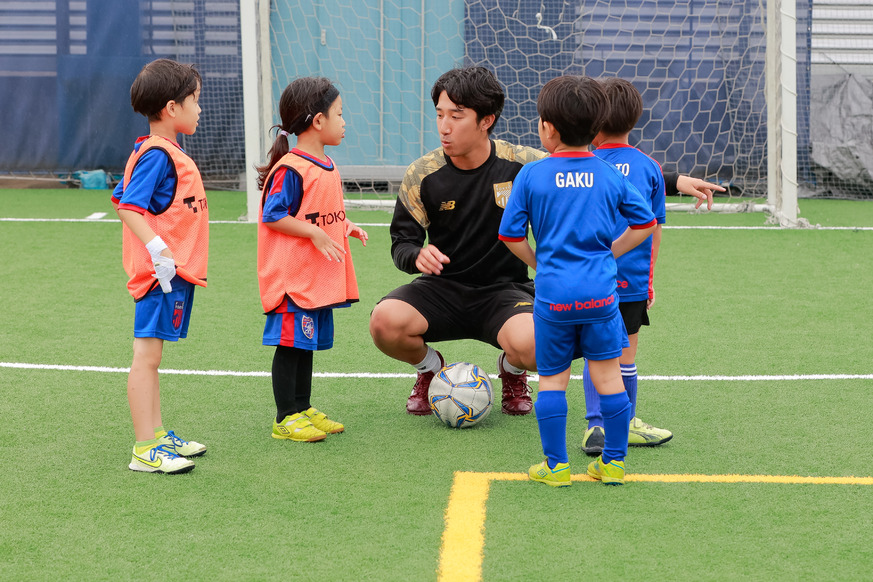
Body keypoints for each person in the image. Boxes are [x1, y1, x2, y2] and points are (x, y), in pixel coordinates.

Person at [369, 66, 724, 419]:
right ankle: (430, 369)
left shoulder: (522, 164)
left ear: (486, 120)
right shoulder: (422, 173)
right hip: (442, 290)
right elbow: (401, 242)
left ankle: (512, 371)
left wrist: (672, 181)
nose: (444, 126)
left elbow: (592, 168)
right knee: (384, 322)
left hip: (505, 292)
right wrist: (416, 254)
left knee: (544, 346)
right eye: (440, 115)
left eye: (456, 116)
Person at [498, 75, 657, 487]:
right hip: (601, 297)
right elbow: (645, 223)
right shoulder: (609, 173)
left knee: (553, 380)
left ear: (548, 128)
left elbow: (509, 235)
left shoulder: (532, 175)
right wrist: (610, 253)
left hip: (554, 297)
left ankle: (556, 468)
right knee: (608, 377)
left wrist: (539, 262)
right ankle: (613, 464)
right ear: (596, 127)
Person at [256, 77, 368, 443]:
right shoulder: (291, 168)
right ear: (318, 121)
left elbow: (318, 211)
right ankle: (284, 418)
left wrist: (344, 226)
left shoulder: (326, 164)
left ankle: (302, 408)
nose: (344, 121)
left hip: (314, 280)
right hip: (292, 280)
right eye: (340, 113)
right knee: (290, 346)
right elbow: (274, 215)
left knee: (305, 345)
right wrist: (314, 234)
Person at [111, 58, 209, 474]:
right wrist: (158, 250)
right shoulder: (157, 154)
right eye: (195, 100)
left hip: (170, 272)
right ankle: (144, 447)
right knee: (146, 357)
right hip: (160, 275)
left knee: (153, 357)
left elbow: (121, 194)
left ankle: (156, 434)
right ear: (172, 108)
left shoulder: (159, 151)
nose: (200, 109)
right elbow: (127, 206)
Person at [580, 77, 672, 455]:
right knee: (627, 357)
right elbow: (654, 231)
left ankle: (595, 427)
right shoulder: (650, 168)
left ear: (593, 121)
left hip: (590, 279)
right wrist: (648, 283)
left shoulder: (584, 165)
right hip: (631, 281)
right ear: (635, 120)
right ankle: (627, 423)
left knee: (596, 353)